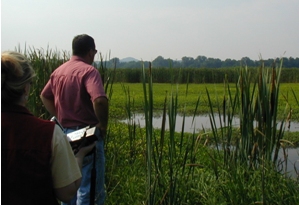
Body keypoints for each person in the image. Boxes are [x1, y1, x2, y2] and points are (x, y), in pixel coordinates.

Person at [1, 51, 96, 205]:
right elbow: (66, 193)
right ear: (26, 89)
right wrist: (78, 156)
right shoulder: (48, 133)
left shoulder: (58, 72)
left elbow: (45, 95)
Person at [40, 34, 109, 205]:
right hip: (86, 137)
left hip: (65, 136)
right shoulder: (89, 71)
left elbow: (45, 95)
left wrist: (61, 116)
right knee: (89, 190)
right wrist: (103, 125)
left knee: (69, 187)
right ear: (91, 52)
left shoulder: (59, 71)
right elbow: (99, 100)